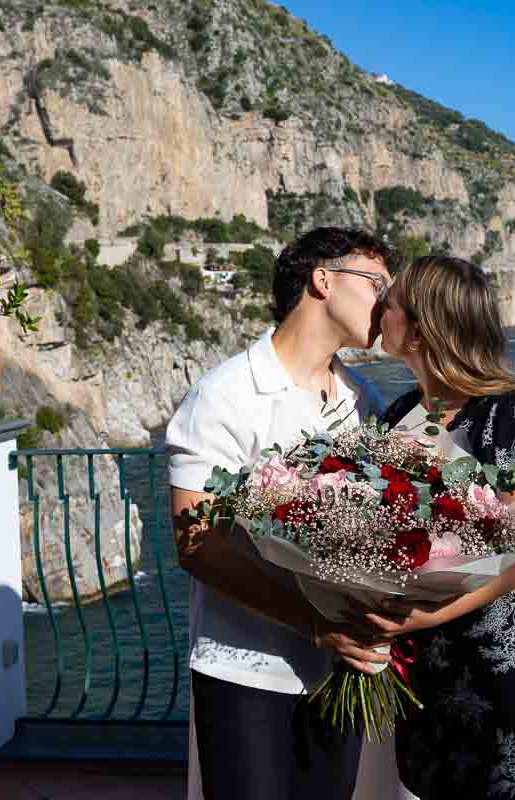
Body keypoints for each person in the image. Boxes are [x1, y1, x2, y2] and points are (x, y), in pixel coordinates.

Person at [167, 227, 398, 800]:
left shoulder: (363, 401)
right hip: (245, 667)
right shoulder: (225, 394)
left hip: (339, 672)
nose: (389, 301)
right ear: (323, 280)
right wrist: (316, 624)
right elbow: (197, 544)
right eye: (377, 283)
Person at [366, 255, 515, 799]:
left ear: (420, 328)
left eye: (389, 301)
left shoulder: (510, 415)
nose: (378, 310)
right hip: (430, 668)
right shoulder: (397, 417)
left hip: (513, 663)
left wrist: (426, 614)